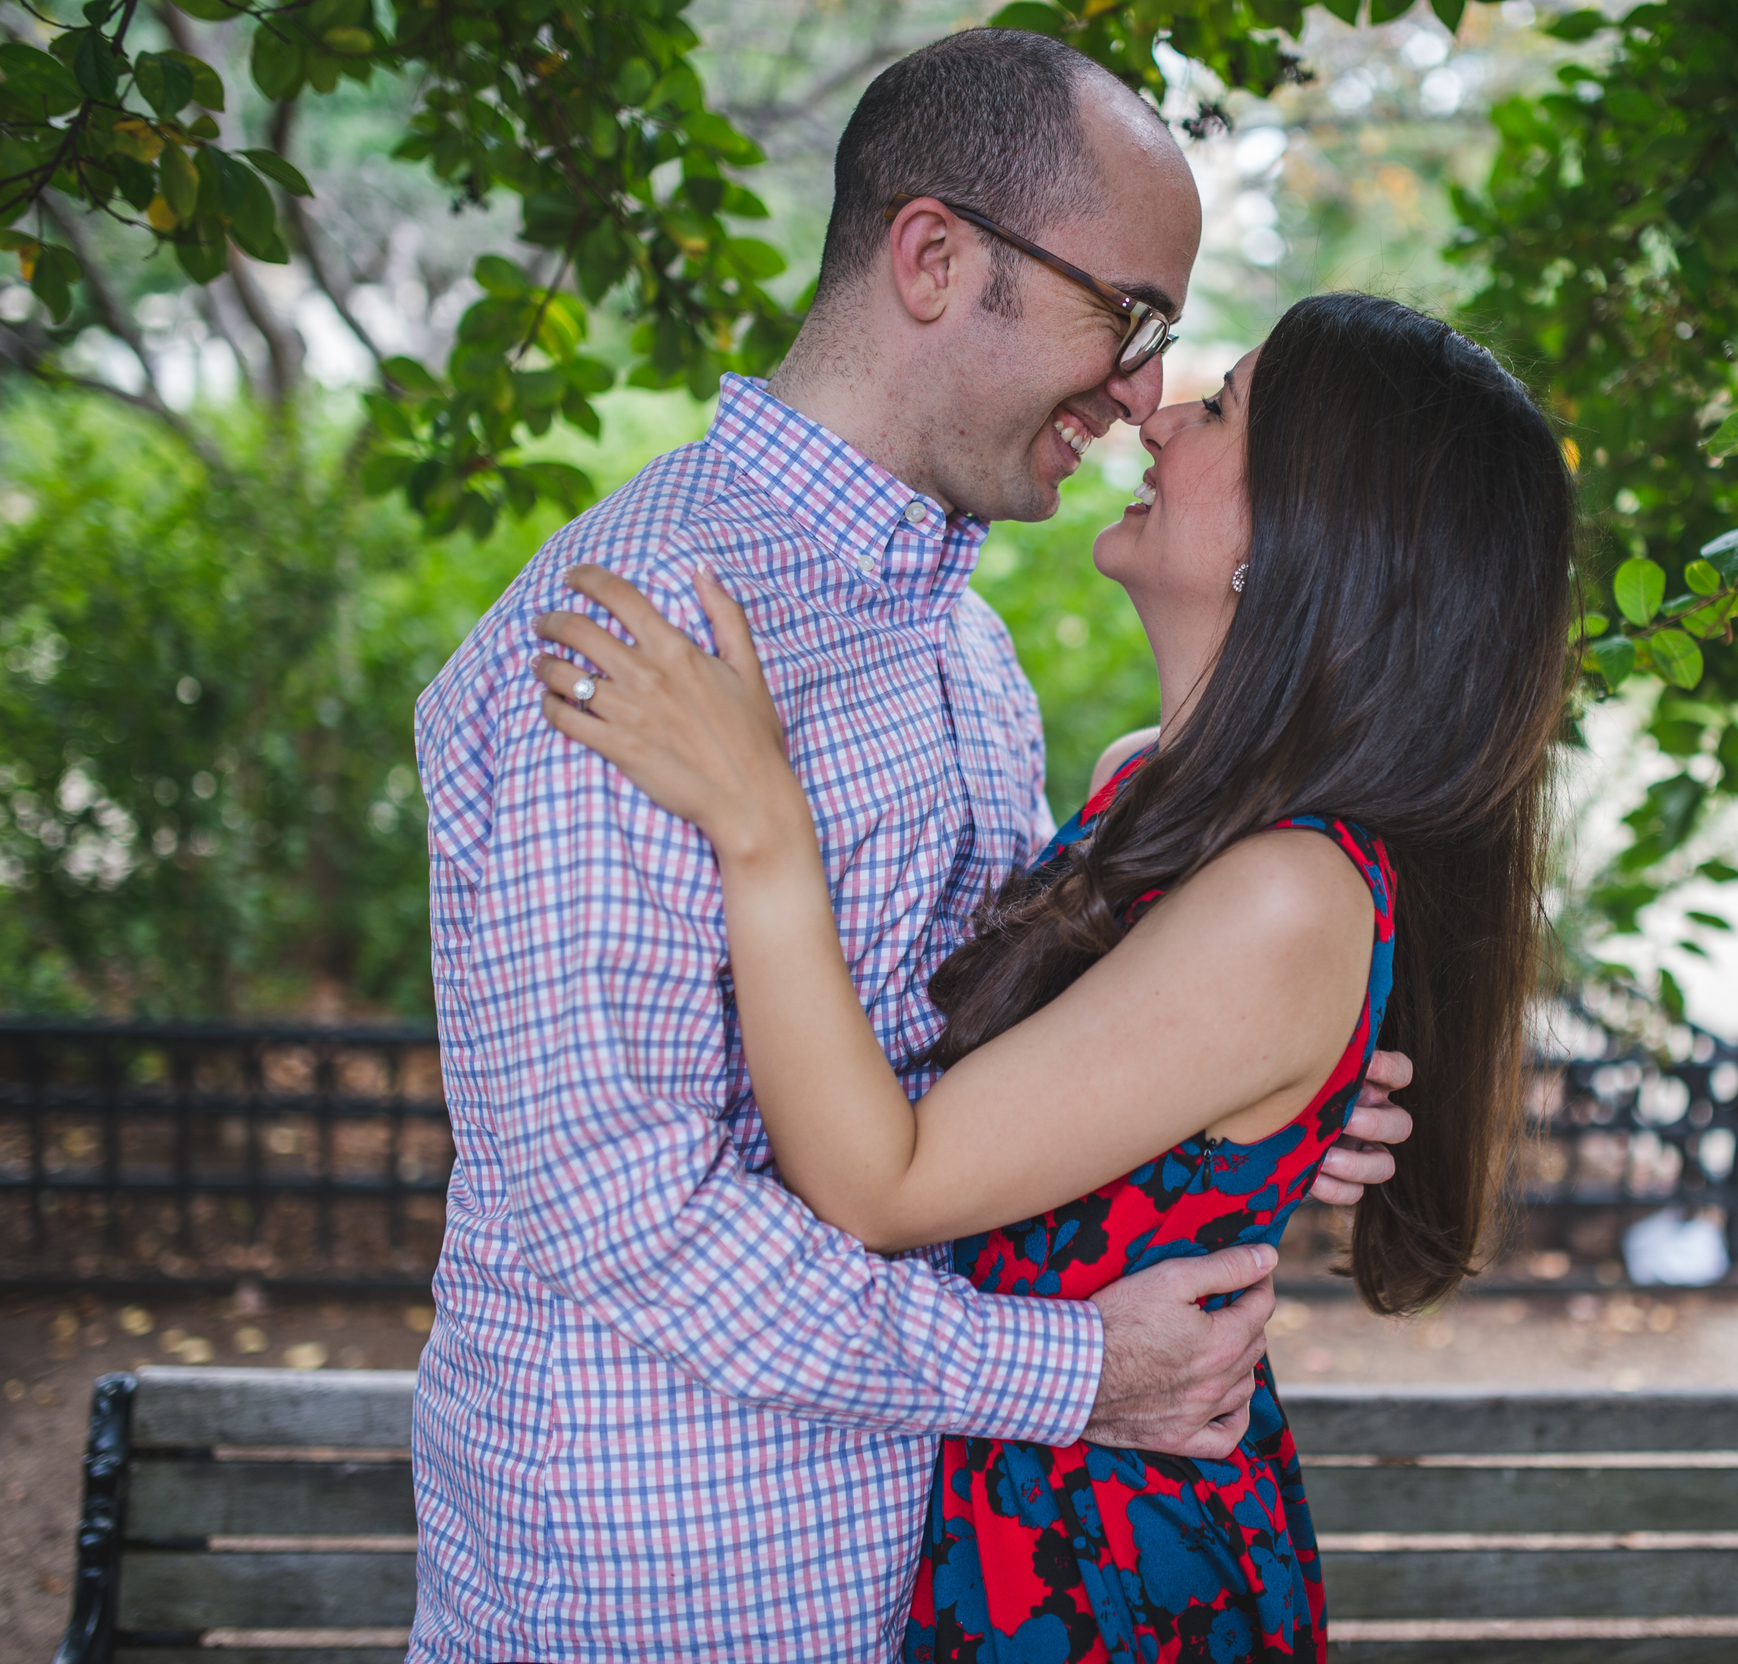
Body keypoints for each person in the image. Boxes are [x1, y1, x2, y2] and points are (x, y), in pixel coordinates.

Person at [406, 30, 1414, 1664]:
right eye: (1127, 318)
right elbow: (635, 1221)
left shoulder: (961, 652)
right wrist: (1080, 1373)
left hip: (930, 1578)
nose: (1142, 392)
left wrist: (1242, 1104)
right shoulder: (638, 645)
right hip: (675, 1601)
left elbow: (982, 1058)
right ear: (937, 259)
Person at [533, 291, 1578, 1660]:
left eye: (1221, 409)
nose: (1157, 410)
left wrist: (760, 827)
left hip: (1108, 1563)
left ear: (1300, 541)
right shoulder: (1148, 791)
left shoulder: (1284, 895)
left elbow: (884, 1186)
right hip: (1020, 1499)